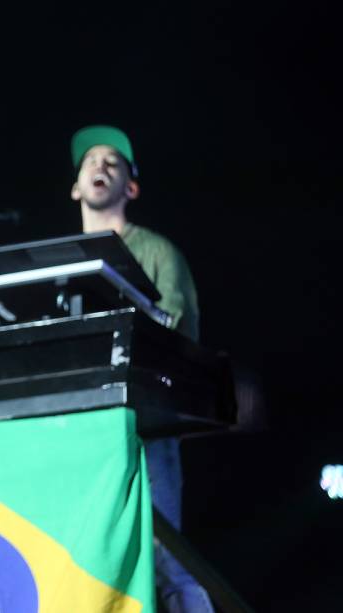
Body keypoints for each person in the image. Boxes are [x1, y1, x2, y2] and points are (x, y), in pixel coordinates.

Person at [69, 125, 213, 612]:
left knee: (167, 559)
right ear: (75, 186)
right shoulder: (60, 260)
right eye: (91, 160)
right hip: (78, 430)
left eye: (113, 161)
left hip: (144, 427)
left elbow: (178, 333)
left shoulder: (158, 252)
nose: (100, 167)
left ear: (130, 186)